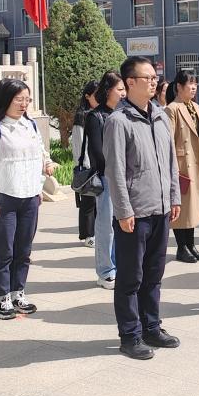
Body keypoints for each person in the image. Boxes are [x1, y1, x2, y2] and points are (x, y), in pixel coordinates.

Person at [103, 56, 182, 360]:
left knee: (154, 274)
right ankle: (130, 335)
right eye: (147, 78)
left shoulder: (160, 116)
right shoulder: (119, 121)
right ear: (130, 82)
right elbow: (115, 171)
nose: (153, 82)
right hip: (134, 214)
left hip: (160, 209)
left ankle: (152, 327)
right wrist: (123, 211)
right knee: (130, 278)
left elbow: (171, 162)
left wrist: (174, 197)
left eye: (154, 77)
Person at [0, 78, 54, 319]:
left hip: (30, 196)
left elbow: (40, 152)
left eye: (27, 99)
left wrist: (46, 167)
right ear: (5, 99)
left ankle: (18, 292)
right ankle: (2, 298)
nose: (24, 104)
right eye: (18, 99)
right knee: (4, 250)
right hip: (4, 197)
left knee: (24, 249)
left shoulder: (30, 125)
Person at [164, 70, 199, 263]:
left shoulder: (195, 107)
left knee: (192, 208)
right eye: (189, 84)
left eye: (195, 83)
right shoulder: (172, 109)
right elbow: (168, 142)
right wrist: (173, 168)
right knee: (181, 209)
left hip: (196, 163)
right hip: (182, 165)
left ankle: (191, 245)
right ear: (179, 87)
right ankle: (181, 247)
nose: (193, 88)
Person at [86, 71, 126, 288]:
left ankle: (120, 265)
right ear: (108, 90)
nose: (123, 93)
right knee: (105, 226)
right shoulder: (96, 116)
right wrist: (114, 170)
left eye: (124, 89)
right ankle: (106, 271)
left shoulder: (124, 113)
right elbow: (97, 151)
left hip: (125, 177)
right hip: (107, 177)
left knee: (123, 224)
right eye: (119, 89)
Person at [71, 81, 99, 246]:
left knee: (98, 202)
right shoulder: (82, 116)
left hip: (99, 165)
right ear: (87, 96)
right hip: (88, 166)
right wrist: (84, 166)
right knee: (88, 202)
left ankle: (96, 232)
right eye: (96, 94)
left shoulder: (100, 113)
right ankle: (88, 235)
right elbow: (78, 144)